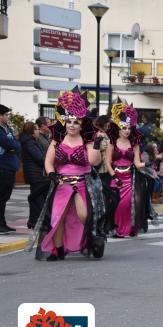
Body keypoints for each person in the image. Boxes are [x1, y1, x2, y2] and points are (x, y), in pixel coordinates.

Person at [33, 90, 105, 260]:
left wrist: (96, 145)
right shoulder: (57, 140)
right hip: (61, 184)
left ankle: (90, 240)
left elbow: (94, 162)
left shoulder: (87, 141)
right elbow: (49, 161)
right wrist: (51, 174)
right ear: (64, 122)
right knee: (58, 218)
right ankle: (58, 250)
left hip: (82, 183)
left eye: (76, 122)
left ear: (82, 124)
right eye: (69, 121)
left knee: (84, 216)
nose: (72, 125)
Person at [104, 101, 151, 238]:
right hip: (115, 177)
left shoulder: (134, 144)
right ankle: (118, 229)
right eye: (124, 128)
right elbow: (107, 163)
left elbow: (137, 163)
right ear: (118, 128)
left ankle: (129, 227)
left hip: (130, 178)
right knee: (117, 204)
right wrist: (114, 177)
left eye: (129, 128)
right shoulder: (112, 143)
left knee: (128, 203)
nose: (126, 131)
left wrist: (148, 164)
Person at [20, 122, 50, 229]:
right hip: (35, 174)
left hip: (35, 174)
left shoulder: (30, 142)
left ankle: (33, 221)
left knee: (36, 197)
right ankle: (41, 221)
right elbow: (39, 158)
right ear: (31, 132)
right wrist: (49, 162)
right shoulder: (30, 143)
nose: (38, 131)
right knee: (37, 199)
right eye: (36, 129)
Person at [0, 104, 20, 234]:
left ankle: (2, 223)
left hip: (10, 166)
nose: (8, 117)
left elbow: (16, 144)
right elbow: (7, 143)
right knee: (1, 197)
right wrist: (12, 146)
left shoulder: (7, 128)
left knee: (5, 197)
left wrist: (13, 146)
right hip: (2, 167)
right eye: (6, 115)